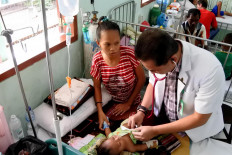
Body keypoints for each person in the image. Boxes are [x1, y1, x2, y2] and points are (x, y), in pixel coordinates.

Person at [127, 28, 232, 154]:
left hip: (193, 130)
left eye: (154, 70)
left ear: (173, 60)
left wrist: (155, 131)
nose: (152, 74)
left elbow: (200, 118)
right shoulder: (157, 54)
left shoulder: (210, 69)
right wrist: (141, 111)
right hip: (165, 118)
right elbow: (152, 83)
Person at [90, 17, 145, 130]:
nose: (113, 48)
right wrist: (100, 111)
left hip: (133, 101)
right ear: (98, 43)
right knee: (104, 127)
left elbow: (142, 79)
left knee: (131, 129)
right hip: (113, 103)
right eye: (107, 44)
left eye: (116, 43)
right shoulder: (97, 60)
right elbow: (97, 87)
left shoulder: (129, 54)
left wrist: (129, 103)